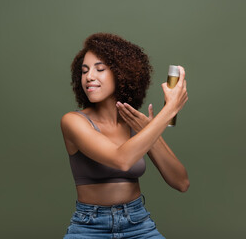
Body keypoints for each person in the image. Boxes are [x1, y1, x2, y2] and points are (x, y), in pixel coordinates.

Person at [60, 32, 189, 239]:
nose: (89, 77)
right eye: (84, 71)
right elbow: (121, 160)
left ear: (121, 73)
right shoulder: (74, 122)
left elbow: (181, 182)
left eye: (99, 69)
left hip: (138, 224)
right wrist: (169, 111)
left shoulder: (135, 124)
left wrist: (150, 131)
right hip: (89, 227)